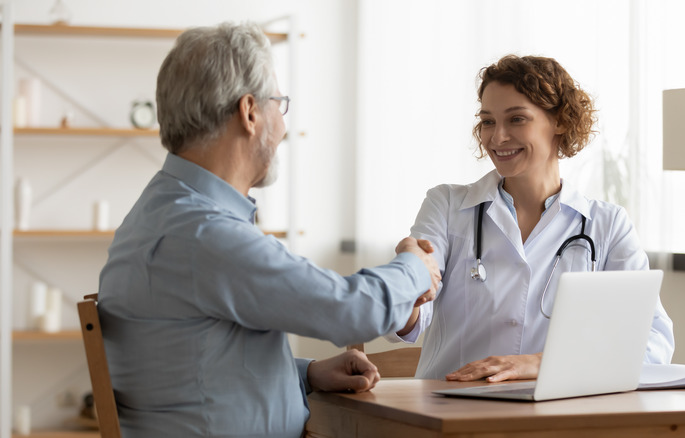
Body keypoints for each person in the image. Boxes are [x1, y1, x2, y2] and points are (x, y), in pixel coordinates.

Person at [97, 22, 440, 438]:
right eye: (279, 103)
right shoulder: (205, 234)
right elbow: (351, 311)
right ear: (250, 112)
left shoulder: (158, 213)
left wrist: (304, 373)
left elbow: (191, 364)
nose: (282, 126)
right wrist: (415, 266)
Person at [389, 54, 674, 381]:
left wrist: (542, 363)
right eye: (488, 121)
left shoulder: (607, 226)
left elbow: (653, 341)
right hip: (450, 412)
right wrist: (407, 286)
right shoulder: (447, 205)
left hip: (554, 415)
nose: (497, 138)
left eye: (517, 119)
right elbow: (410, 320)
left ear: (561, 121)